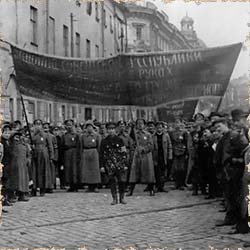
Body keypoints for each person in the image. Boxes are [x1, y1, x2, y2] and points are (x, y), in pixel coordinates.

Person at [100, 122, 128, 205]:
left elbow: (124, 152)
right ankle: (114, 198)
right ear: (107, 130)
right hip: (109, 163)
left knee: (121, 181)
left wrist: (125, 164)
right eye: (109, 129)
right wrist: (102, 166)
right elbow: (101, 154)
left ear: (115, 130)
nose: (111, 131)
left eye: (112, 129)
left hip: (119, 163)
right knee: (112, 181)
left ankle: (122, 197)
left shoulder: (120, 140)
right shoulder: (104, 141)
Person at [127, 119, 156, 196]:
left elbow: (151, 145)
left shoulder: (148, 135)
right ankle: (131, 190)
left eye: (142, 123)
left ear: (144, 125)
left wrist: (144, 149)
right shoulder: (134, 134)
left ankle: (151, 189)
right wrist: (135, 147)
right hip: (137, 155)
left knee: (149, 173)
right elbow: (131, 143)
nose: (140, 125)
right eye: (138, 124)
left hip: (146, 156)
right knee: (134, 173)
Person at [32, 119, 53, 196]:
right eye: (36, 124)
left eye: (39, 124)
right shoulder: (32, 135)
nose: (38, 126)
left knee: (43, 171)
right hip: (34, 154)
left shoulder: (46, 135)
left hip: (44, 154)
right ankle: (34, 188)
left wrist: (51, 156)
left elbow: (50, 146)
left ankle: (42, 189)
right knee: (34, 172)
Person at [9, 130, 30, 202]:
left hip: (23, 165)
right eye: (16, 136)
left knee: (23, 181)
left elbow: (28, 154)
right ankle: (12, 195)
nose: (18, 138)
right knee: (14, 181)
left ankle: (22, 194)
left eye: (19, 136)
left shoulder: (24, 145)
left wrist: (28, 160)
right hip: (14, 165)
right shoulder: (11, 145)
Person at [81, 120, 101, 193]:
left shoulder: (97, 136)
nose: (89, 128)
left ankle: (95, 186)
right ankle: (89, 186)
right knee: (87, 170)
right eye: (87, 127)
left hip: (94, 153)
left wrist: (98, 154)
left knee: (94, 170)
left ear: (93, 127)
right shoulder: (83, 136)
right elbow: (81, 146)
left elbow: (99, 146)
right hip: (86, 153)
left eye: (90, 127)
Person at [61, 119, 81, 192]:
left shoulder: (76, 135)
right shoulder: (64, 136)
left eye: (70, 125)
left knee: (74, 169)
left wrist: (79, 155)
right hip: (67, 153)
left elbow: (79, 146)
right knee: (68, 169)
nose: (69, 127)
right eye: (67, 125)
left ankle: (76, 185)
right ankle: (70, 185)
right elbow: (62, 146)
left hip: (74, 153)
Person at [152, 121, 172, 192]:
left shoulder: (166, 136)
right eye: (157, 128)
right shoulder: (153, 136)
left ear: (162, 128)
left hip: (164, 156)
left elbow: (169, 146)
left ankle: (162, 186)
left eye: (160, 127)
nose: (159, 129)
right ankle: (157, 186)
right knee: (157, 172)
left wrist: (170, 156)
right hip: (156, 156)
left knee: (163, 172)